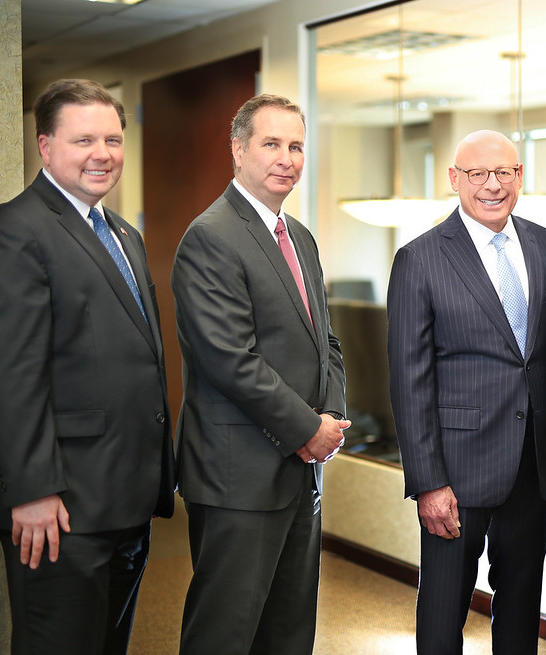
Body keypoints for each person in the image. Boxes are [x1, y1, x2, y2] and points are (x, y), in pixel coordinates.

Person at [0, 78, 175, 655]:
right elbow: (10, 376)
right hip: (58, 507)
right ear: (45, 146)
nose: (102, 154)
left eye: (112, 138)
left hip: (125, 500)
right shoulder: (12, 231)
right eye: (83, 139)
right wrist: (33, 490)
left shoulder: (125, 236)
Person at [171, 94, 349, 655]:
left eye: (296, 146)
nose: (286, 158)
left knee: (289, 631)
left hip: (299, 475)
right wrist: (306, 430)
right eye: (271, 144)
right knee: (226, 633)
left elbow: (327, 341)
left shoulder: (300, 236)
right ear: (238, 150)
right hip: (238, 477)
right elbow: (231, 358)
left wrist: (334, 417)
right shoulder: (211, 236)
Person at [387, 129, 546, 654]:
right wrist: (427, 482)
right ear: (454, 179)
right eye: (478, 174)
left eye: (505, 173)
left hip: (531, 465)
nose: (493, 185)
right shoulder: (420, 258)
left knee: (520, 607)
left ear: (520, 177)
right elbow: (409, 381)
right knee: (444, 613)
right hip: (455, 472)